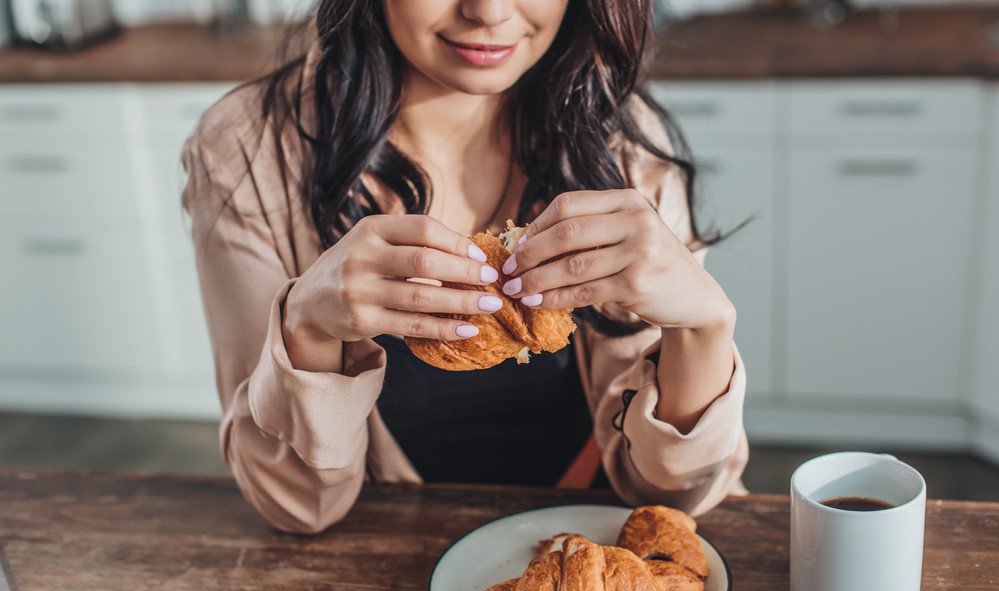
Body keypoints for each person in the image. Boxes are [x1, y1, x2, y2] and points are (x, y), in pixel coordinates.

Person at [181, 0, 749, 534]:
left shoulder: (623, 141)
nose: (489, 12)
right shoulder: (249, 151)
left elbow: (673, 500)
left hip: (600, 538)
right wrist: (306, 329)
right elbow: (299, 507)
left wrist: (703, 332)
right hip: (384, 566)